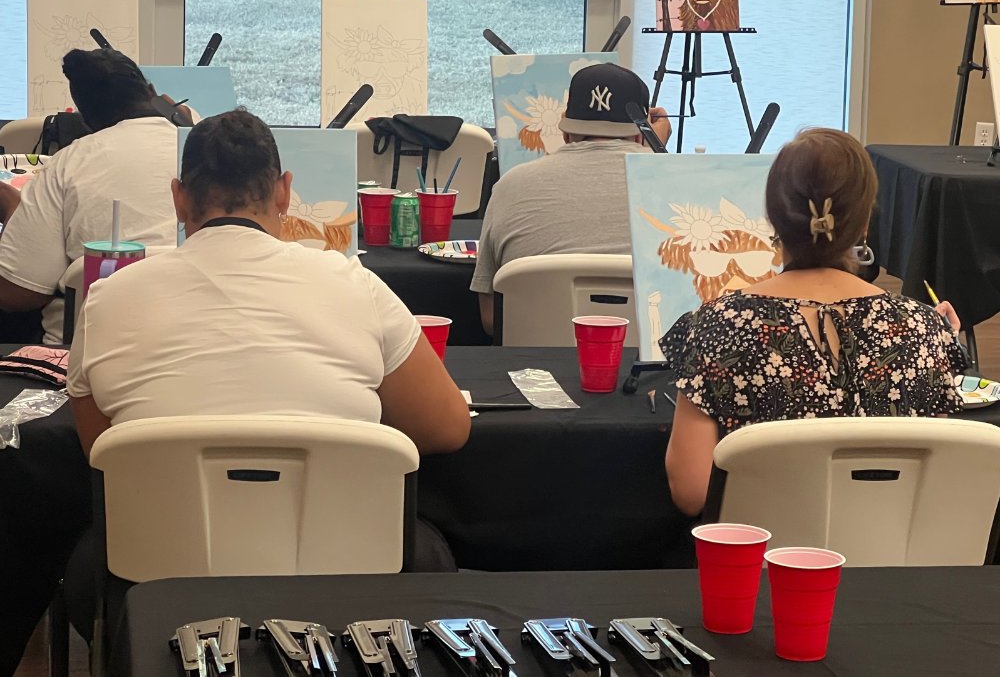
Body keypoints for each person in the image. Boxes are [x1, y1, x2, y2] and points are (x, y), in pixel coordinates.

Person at [68, 109, 471, 456]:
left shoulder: (106, 299)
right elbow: (447, 428)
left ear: (179, 198)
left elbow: (100, 451)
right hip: (336, 525)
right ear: (284, 193)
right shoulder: (355, 285)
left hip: (162, 526)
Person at [660, 128, 967, 516]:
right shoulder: (924, 330)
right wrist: (937, 342)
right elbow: (937, 481)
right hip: (891, 552)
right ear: (864, 224)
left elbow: (692, 492)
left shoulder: (716, 327)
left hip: (765, 552)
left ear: (773, 218)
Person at [471, 63, 671, 335]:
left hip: (535, 358)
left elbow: (491, 317)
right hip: (657, 358)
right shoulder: (686, 186)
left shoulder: (510, 185)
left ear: (565, 132)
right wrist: (656, 155)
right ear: (640, 133)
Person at [0, 48, 178, 343]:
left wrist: (13, 210)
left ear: (85, 119)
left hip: (85, 351)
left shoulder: (70, 163)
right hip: (192, 342)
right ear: (151, 92)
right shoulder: (203, 152)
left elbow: (18, 292)